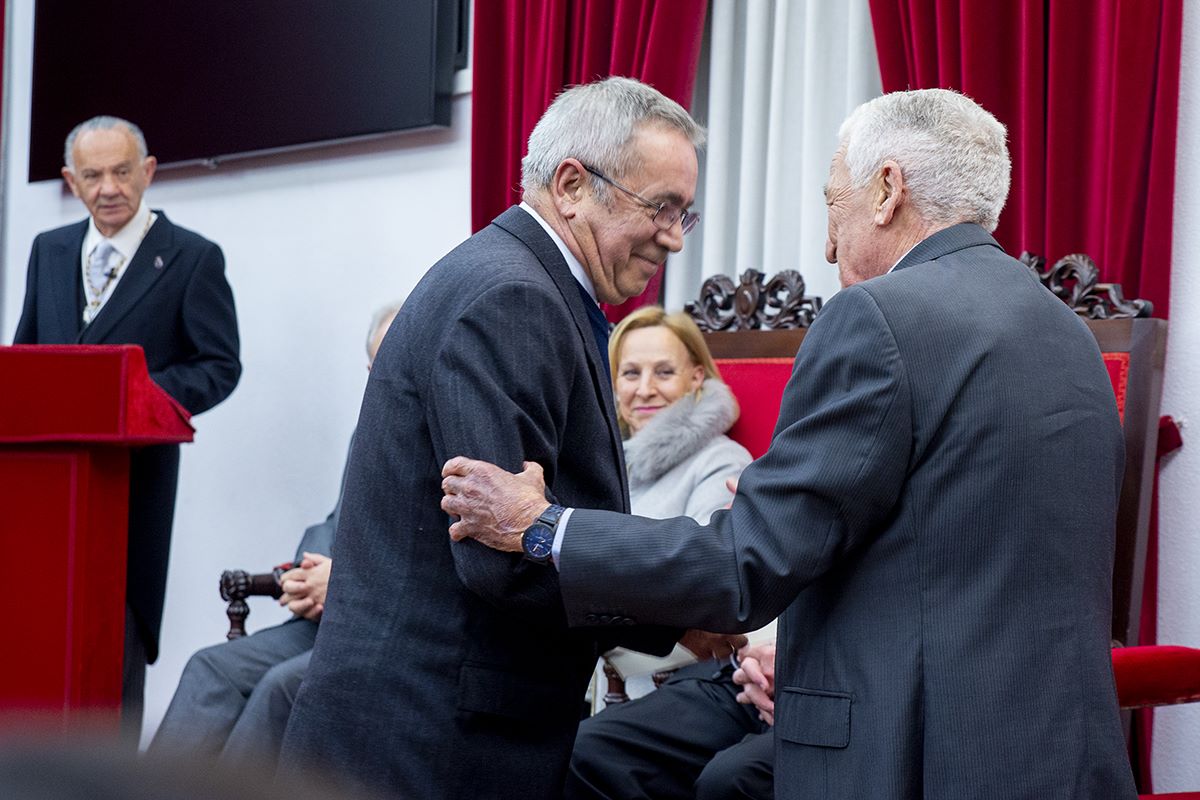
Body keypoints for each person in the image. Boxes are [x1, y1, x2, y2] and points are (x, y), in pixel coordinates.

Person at [441, 88, 1138, 799]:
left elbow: (746, 563)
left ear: (887, 191)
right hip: (1061, 750)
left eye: (833, 204)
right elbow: (959, 546)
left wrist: (544, 527)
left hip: (914, 752)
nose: (829, 245)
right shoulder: (1068, 334)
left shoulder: (878, 318)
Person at [280, 77, 737, 800]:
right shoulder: (513, 298)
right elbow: (504, 560)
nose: (675, 237)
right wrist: (686, 612)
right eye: (660, 208)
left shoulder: (526, 281)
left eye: (685, 213)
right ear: (572, 186)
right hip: (430, 740)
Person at [13, 115, 241, 736]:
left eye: (121, 171)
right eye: (92, 176)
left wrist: (128, 395)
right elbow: (26, 355)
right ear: (71, 181)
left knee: (111, 641)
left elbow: (219, 366)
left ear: (148, 172)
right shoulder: (49, 250)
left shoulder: (192, 257)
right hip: (45, 493)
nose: (108, 187)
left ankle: (109, 775)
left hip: (132, 487)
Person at [147, 303, 400, 768]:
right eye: (377, 368)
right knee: (210, 667)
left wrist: (345, 583)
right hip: (325, 621)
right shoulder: (366, 430)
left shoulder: (446, 436)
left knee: (279, 688)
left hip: (384, 631)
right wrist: (310, 572)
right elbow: (335, 521)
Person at [568, 305, 766, 800]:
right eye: (630, 373)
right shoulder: (604, 460)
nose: (644, 389)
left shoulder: (722, 462)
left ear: (696, 377)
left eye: (663, 372)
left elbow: (700, 583)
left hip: (677, 674)